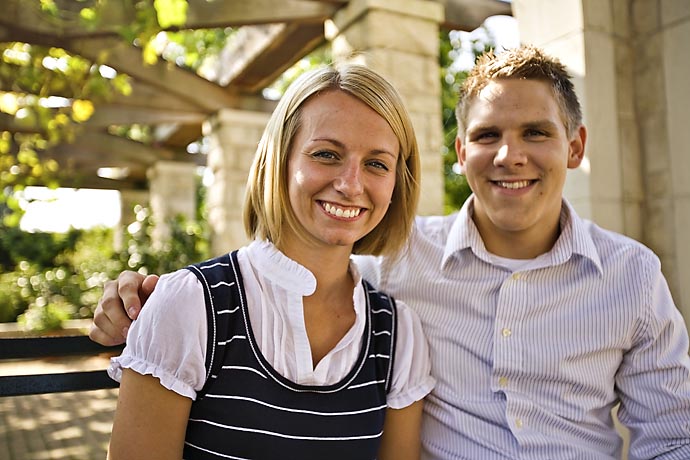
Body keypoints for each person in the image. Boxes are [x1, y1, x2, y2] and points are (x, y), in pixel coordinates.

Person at [92, 45, 690, 459]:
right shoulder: (402, 262)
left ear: (576, 146)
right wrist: (151, 295)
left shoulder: (632, 276)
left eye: (536, 132)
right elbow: (283, 270)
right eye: (487, 136)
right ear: (461, 153)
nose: (510, 155)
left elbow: (672, 434)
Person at [103, 63, 435, 460]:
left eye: (377, 163)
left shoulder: (398, 333)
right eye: (326, 154)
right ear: (280, 162)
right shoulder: (192, 303)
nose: (351, 184)